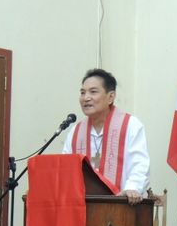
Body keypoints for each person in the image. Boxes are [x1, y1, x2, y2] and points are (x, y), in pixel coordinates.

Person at [63, 68, 150, 205]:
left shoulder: (130, 125)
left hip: (123, 207)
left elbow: (139, 164)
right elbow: (66, 169)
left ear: (111, 97)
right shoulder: (75, 132)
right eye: (82, 92)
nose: (86, 98)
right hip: (84, 207)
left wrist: (132, 188)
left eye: (93, 92)